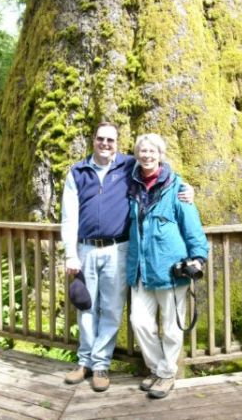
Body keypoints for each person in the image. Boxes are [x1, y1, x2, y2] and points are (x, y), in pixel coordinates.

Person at [61, 122, 194, 393]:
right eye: (101, 139)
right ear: (93, 140)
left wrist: (188, 189)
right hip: (85, 249)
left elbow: (160, 172)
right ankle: (84, 361)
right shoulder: (77, 171)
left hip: (118, 249)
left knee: (111, 308)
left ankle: (101, 364)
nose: (106, 144)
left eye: (111, 140)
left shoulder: (128, 167)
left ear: (117, 143)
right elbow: (69, 216)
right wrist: (70, 253)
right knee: (85, 307)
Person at [126, 133, 209, 399]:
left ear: (161, 155)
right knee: (139, 321)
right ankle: (156, 367)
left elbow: (191, 225)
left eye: (152, 151)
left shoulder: (177, 187)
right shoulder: (132, 185)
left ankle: (166, 373)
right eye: (142, 151)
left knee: (172, 326)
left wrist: (199, 256)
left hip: (171, 270)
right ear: (137, 155)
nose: (146, 155)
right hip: (141, 269)